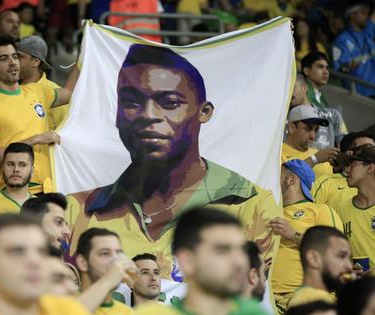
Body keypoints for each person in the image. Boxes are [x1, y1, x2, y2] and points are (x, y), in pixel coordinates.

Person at [67, 43, 279, 279]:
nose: (148, 115)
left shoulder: (251, 205)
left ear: (204, 112)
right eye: (131, 102)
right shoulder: (76, 213)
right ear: (116, 115)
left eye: (169, 103)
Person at [0, 36, 78, 195]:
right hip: (17, 191)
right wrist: (35, 139)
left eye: (15, 56)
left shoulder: (37, 91)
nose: (13, 62)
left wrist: (84, 55)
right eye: (3, 58)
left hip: (51, 188)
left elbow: (69, 92)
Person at [135, 207, 269, 315]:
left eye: (240, 250)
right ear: (187, 262)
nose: (240, 263)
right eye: (222, 250)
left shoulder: (254, 314)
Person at [270, 160, 343, 315]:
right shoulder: (269, 211)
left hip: (306, 299)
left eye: (279, 174)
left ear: (291, 180)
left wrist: (294, 235)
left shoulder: (319, 210)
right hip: (269, 299)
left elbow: (335, 251)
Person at [0, 192, 71, 293]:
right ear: (35, 224)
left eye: (66, 224)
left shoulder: (60, 271)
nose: (67, 231)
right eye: (59, 222)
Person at [332, 144, 375, 272]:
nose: (346, 170)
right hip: (358, 288)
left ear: (370, 168)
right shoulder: (339, 209)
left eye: (352, 164)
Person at [287, 226, 353, 309]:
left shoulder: (310, 299)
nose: (349, 266)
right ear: (313, 259)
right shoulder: (312, 303)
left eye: (349, 258)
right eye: (341, 256)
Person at [75, 228, 136, 315]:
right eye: (105, 253)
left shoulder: (128, 313)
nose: (116, 261)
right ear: (83, 262)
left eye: (119, 254)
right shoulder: (61, 301)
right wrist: (108, 280)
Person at [16, 35, 69, 130]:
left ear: (36, 61)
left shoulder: (56, 92)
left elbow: (65, 132)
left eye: (19, 57)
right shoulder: (11, 89)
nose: (13, 62)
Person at [312, 131, 375, 208]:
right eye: (367, 148)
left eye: (373, 148)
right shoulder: (326, 183)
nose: (372, 153)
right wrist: (314, 159)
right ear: (349, 153)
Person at [290, 73, 347, 150]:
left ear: (305, 88)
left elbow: (345, 149)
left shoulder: (332, 114)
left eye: (291, 87)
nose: (288, 92)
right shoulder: (283, 121)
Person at [283, 105, 339, 178]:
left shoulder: (320, 155)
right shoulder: (278, 154)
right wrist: (315, 159)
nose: (313, 136)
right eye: (308, 129)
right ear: (292, 127)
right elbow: (286, 179)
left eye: (316, 130)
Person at [333, 3, 375, 98]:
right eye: (363, 13)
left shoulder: (367, 33)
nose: (367, 16)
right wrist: (348, 66)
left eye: (367, 13)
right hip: (359, 94)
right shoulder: (342, 39)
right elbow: (338, 69)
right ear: (352, 15)